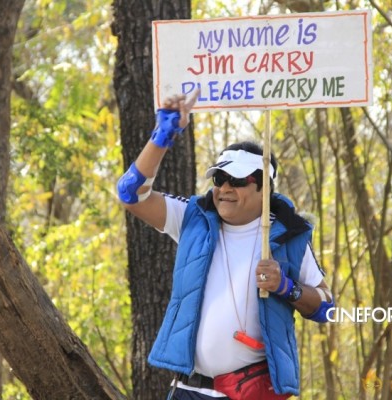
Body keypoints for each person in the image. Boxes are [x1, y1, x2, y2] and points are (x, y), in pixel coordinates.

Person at [117, 93, 334, 400]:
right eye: (220, 178)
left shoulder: (289, 236)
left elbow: (327, 308)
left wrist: (287, 287)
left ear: (265, 189)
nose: (225, 189)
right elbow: (130, 193)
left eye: (237, 180)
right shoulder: (194, 218)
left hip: (251, 392)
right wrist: (163, 134)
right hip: (187, 390)